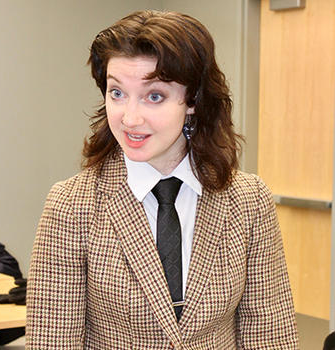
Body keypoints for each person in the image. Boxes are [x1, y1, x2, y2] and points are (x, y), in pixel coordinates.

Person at [26, 10, 299, 349]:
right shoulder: (72, 205)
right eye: (117, 92)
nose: (130, 117)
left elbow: (269, 337)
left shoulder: (248, 200)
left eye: (154, 96)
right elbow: (52, 341)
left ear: (193, 101)